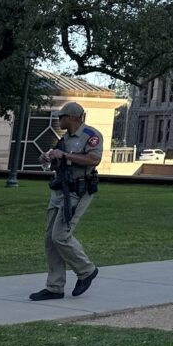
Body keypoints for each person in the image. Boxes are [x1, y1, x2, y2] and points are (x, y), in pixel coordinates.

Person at [28, 102, 102, 301]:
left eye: (62, 117)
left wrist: (66, 155)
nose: (59, 120)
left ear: (73, 117)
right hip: (60, 190)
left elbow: (94, 160)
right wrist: (48, 158)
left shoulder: (90, 135)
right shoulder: (65, 138)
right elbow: (59, 160)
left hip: (78, 191)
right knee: (50, 239)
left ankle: (86, 270)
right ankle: (54, 287)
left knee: (60, 235)